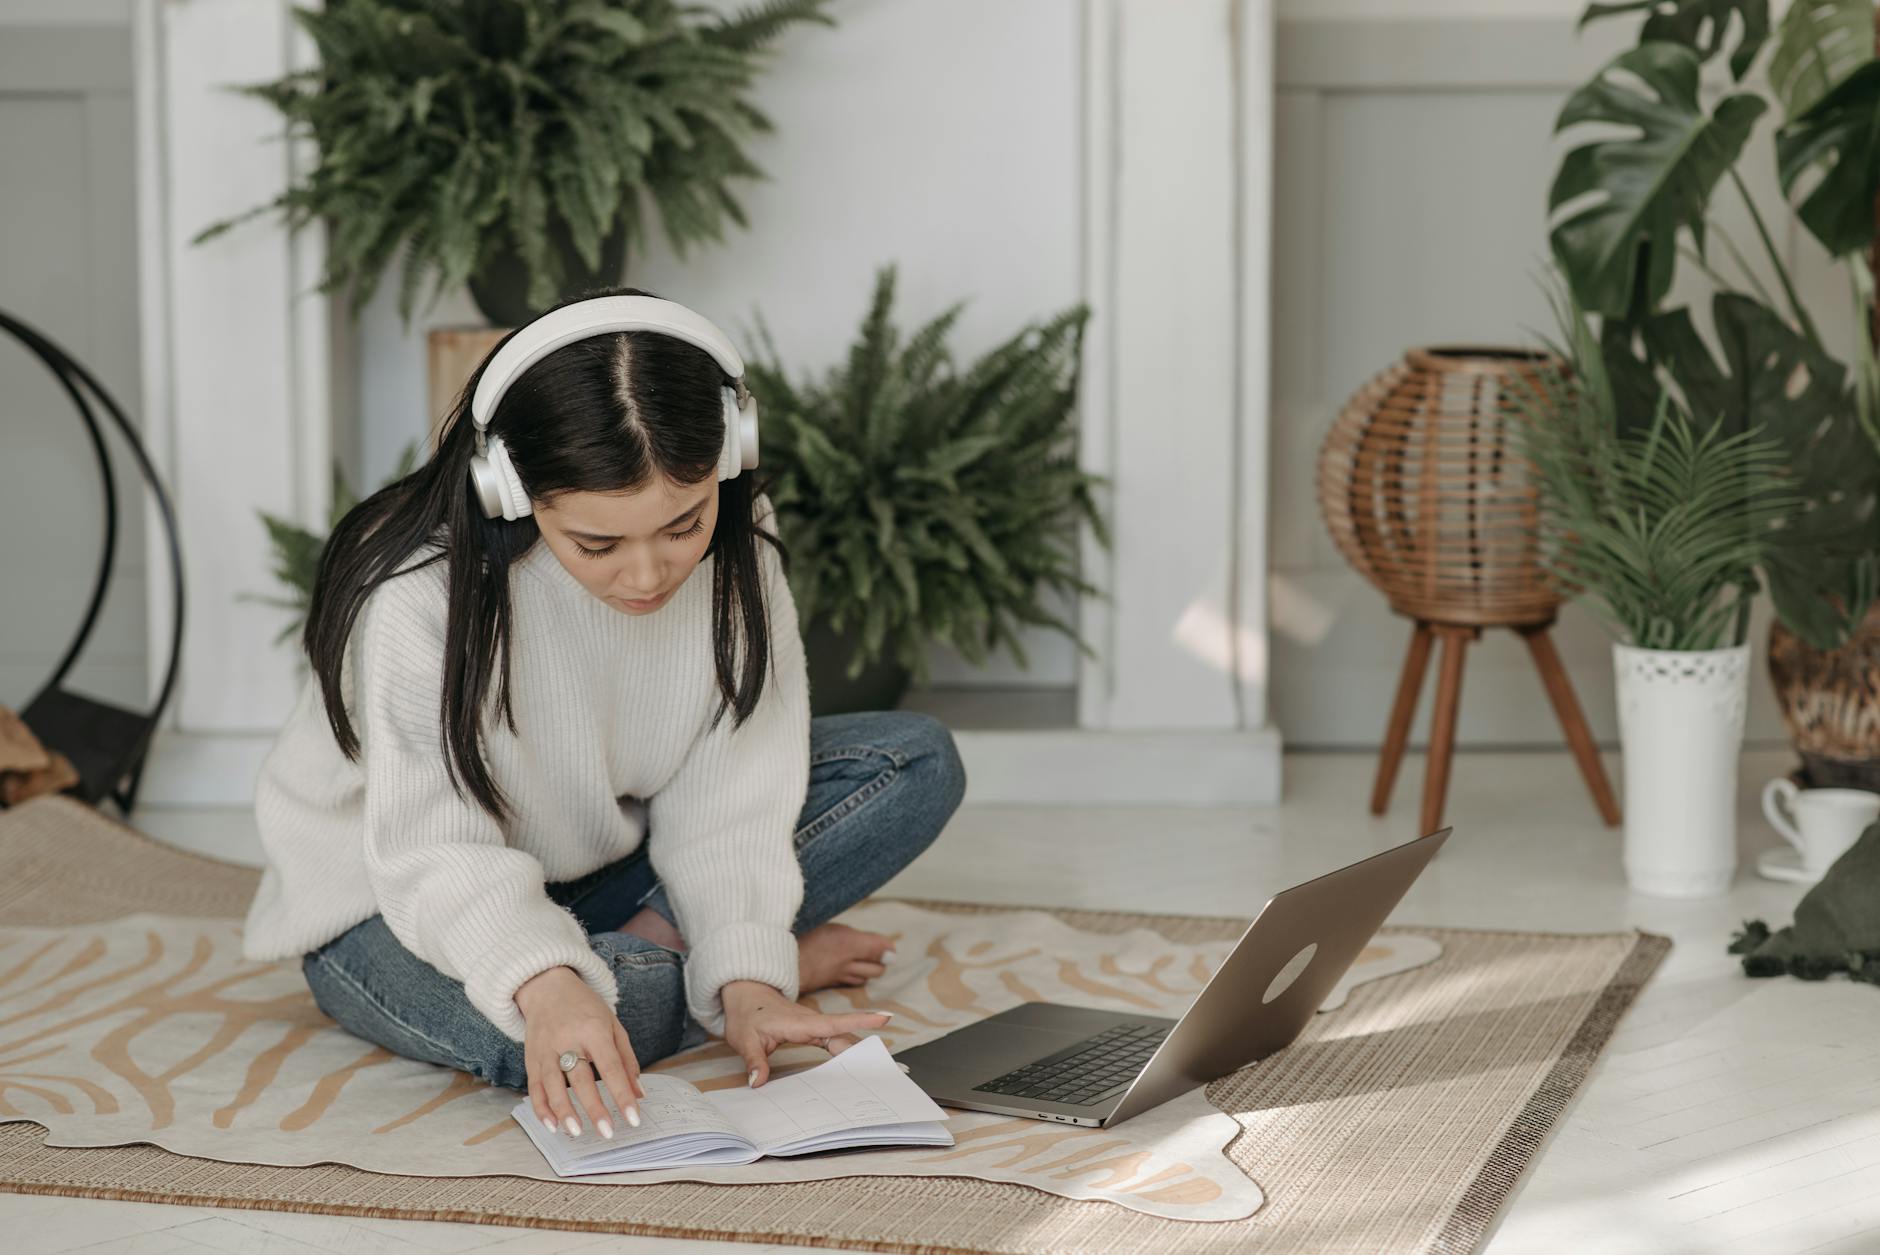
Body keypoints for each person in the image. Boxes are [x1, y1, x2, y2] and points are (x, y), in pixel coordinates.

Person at [240, 286, 966, 1142]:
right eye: (598, 544)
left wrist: (748, 979)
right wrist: (550, 986)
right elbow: (431, 848)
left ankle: (676, 963)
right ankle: (656, 966)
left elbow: (733, 781)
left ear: (730, 456)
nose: (648, 574)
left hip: (596, 863)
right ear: (509, 488)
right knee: (544, 1042)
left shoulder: (738, 539)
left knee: (916, 759)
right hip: (386, 899)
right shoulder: (417, 595)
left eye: (682, 524)